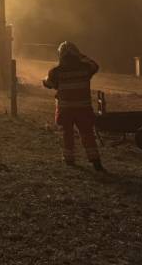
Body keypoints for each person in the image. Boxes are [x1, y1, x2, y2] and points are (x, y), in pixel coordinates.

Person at [43, 41, 104, 171]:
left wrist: (46, 80)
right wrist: (82, 55)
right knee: (87, 133)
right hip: (83, 108)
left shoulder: (56, 71)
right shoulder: (85, 69)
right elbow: (95, 65)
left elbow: (49, 84)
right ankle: (95, 161)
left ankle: (69, 159)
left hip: (65, 109)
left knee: (67, 134)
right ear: (77, 54)